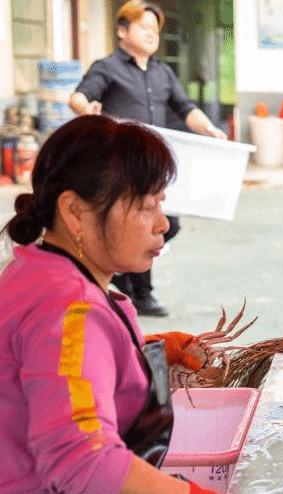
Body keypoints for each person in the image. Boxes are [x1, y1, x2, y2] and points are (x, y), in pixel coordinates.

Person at [0, 114, 222, 494]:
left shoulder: (35, 270)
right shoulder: (69, 307)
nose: (162, 224)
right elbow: (82, 459)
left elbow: (56, 368)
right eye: (144, 206)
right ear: (74, 213)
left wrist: (146, 352)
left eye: (161, 203)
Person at [69, 0, 227, 317]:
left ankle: (124, 276)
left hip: (154, 163)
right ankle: (141, 293)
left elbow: (186, 109)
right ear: (122, 30)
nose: (152, 35)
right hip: (119, 162)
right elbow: (79, 96)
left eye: (155, 29)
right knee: (137, 223)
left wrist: (209, 128)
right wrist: (86, 111)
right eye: (144, 27)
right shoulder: (107, 67)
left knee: (170, 224)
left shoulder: (162, 72)